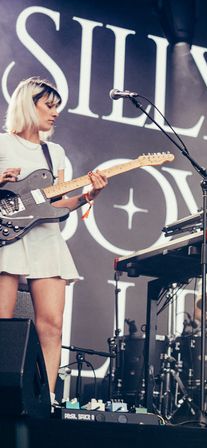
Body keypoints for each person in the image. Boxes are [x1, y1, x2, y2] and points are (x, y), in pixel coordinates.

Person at [0, 77, 108, 404]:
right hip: (7, 240)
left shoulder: (54, 152)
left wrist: (88, 196)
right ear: (27, 104)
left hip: (47, 239)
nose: (55, 113)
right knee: (1, 325)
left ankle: (45, 400)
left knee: (52, 326)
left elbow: (57, 205)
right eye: (48, 105)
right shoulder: (2, 144)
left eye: (57, 107)